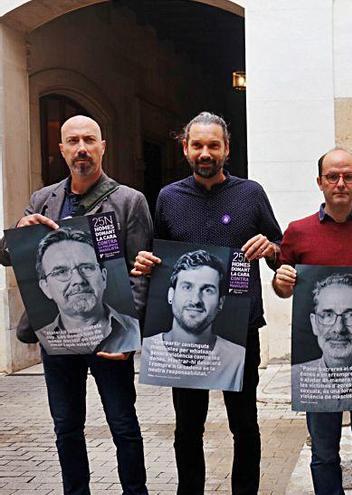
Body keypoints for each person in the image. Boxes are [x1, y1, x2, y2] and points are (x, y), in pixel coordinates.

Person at [131, 111, 282, 495]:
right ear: (185, 148)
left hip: (239, 328)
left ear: (226, 149)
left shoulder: (251, 194)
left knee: (244, 424)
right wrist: (147, 262)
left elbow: (282, 251)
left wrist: (272, 248)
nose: (205, 152)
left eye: (213, 145)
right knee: (187, 428)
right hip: (186, 335)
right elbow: (158, 255)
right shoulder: (168, 198)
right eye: (197, 145)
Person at [0, 115, 151, 494]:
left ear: (103, 146)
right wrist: (19, 230)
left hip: (108, 339)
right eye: (73, 141)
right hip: (60, 338)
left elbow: (140, 271)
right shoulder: (42, 200)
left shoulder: (129, 201)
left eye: (89, 140)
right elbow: (9, 256)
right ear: (62, 149)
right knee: (66, 426)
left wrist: (125, 336)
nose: (81, 147)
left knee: (123, 425)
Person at [272, 147, 352, 495]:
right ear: (320, 182)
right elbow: (285, 289)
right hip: (317, 371)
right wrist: (280, 283)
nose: (340, 183)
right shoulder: (297, 232)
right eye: (332, 176)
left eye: (347, 176)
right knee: (324, 453)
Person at [141, 250, 245, 390]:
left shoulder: (237, 360)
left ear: (221, 302)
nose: (196, 300)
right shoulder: (147, 352)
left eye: (208, 290)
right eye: (187, 287)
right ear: (171, 295)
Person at [290, 272, 352, 413]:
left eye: (351, 315)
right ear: (314, 323)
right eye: (328, 315)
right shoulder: (297, 378)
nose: (339, 328)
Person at [35, 227, 140, 354]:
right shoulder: (44, 339)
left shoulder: (133, 330)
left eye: (87, 268)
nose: (78, 280)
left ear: (103, 277)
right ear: (45, 287)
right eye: (61, 272)